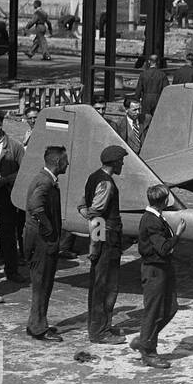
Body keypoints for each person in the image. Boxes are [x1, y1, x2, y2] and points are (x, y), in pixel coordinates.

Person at [78, 145, 129, 344]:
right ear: (114, 162)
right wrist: (95, 244)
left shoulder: (93, 177)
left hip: (103, 238)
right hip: (107, 240)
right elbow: (96, 214)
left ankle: (102, 326)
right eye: (121, 161)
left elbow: (83, 206)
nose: (123, 163)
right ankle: (99, 332)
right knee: (106, 286)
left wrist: (91, 228)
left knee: (102, 285)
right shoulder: (106, 183)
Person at [133, 184, 186, 369]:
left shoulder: (156, 218)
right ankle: (148, 351)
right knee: (154, 311)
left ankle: (144, 339)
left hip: (162, 269)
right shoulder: (151, 221)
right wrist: (178, 235)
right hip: (154, 270)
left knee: (170, 308)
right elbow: (163, 248)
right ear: (163, 201)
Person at [21, 145, 70, 338]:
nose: (68, 163)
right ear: (58, 162)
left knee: (42, 284)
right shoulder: (45, 182)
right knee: (42, 284)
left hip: (40, 240)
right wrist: (48, 227)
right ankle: (38, 328)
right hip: (42, 242)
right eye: (65, 160)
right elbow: (35, 206)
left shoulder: (46, 179)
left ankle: (36, 322)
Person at [0, 113, 27, 283]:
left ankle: (12, 270)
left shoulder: (14, 147)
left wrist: (5, 180)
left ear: (0, 125)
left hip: (5, 193)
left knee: (7, 233)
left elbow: (24, 171)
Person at [134, 55, 170, 123]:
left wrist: (137, 99)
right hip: (158, 98)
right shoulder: (162, 74)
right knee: (156, 120)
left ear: (149, 61)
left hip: (146, 99)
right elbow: (166, 89)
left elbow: (139, 88)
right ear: (158, 62)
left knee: (145, 120)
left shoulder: (143, 74)